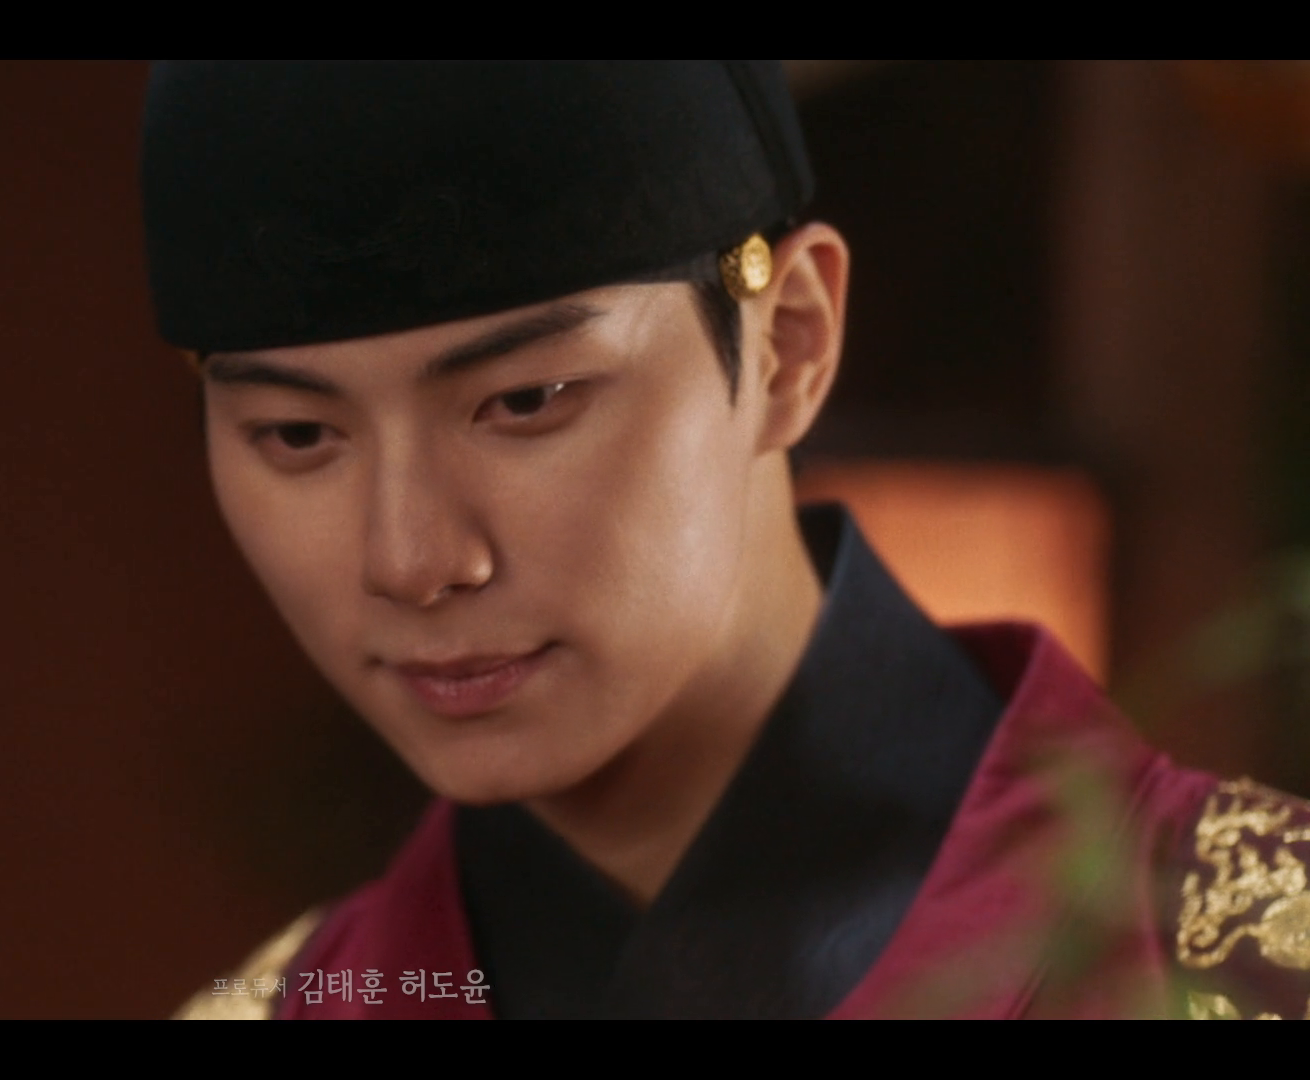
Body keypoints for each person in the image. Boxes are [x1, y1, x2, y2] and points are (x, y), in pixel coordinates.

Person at [142, 62, 1310, 1020]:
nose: (411, 560)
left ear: (790, 341)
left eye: (527, 401)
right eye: (297, 434)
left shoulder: (1255, 961)